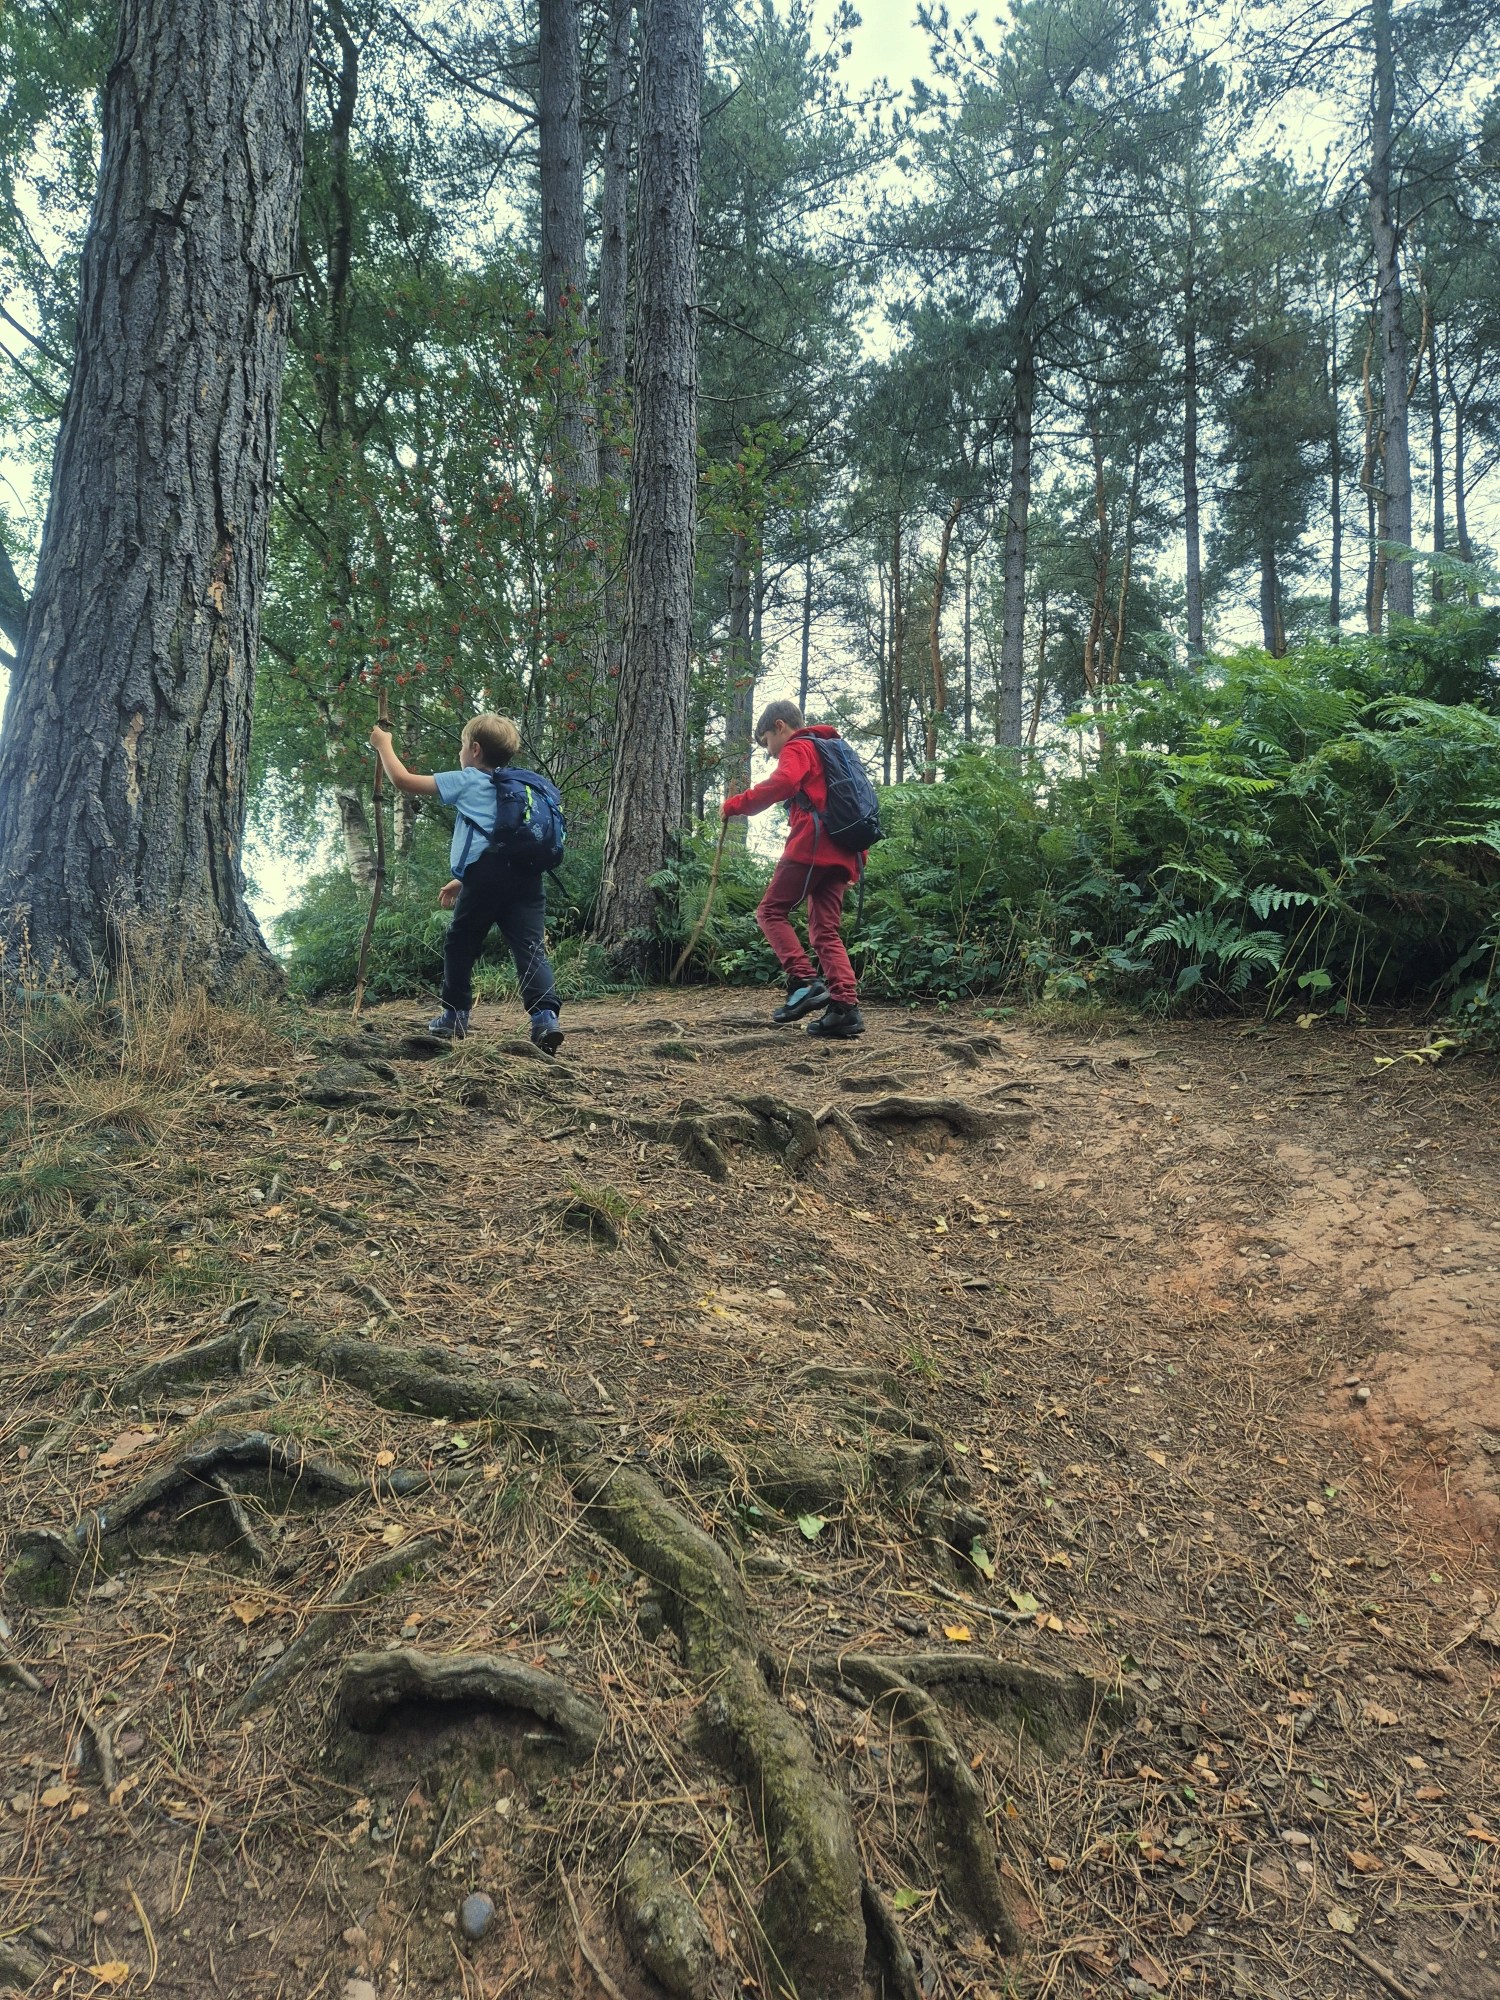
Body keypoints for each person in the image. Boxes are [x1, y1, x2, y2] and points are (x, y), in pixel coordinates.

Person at [369, 714, 564, 1053]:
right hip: (528, 876)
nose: (461, 753)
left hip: (487, 875)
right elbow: (500, 838)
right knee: (530, 947)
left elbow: (403, 780)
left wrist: (383, 745)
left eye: (462, 746)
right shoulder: (517, 786)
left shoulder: (469, 780)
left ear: (474, 749)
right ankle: (545, 1019)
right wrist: (459, 880)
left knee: (460, 943)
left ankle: (454, 1016)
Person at [721, 699, 866, 1039]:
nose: (770, 752)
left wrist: (735, 805)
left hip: (812, 845)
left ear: (780, 727)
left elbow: (784, 783)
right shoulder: (831, 749)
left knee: (770, 911)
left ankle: (805, 982)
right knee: (824, 932)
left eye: (767, 742)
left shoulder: (799, 746)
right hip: (847, 848)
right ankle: (845, 1009)